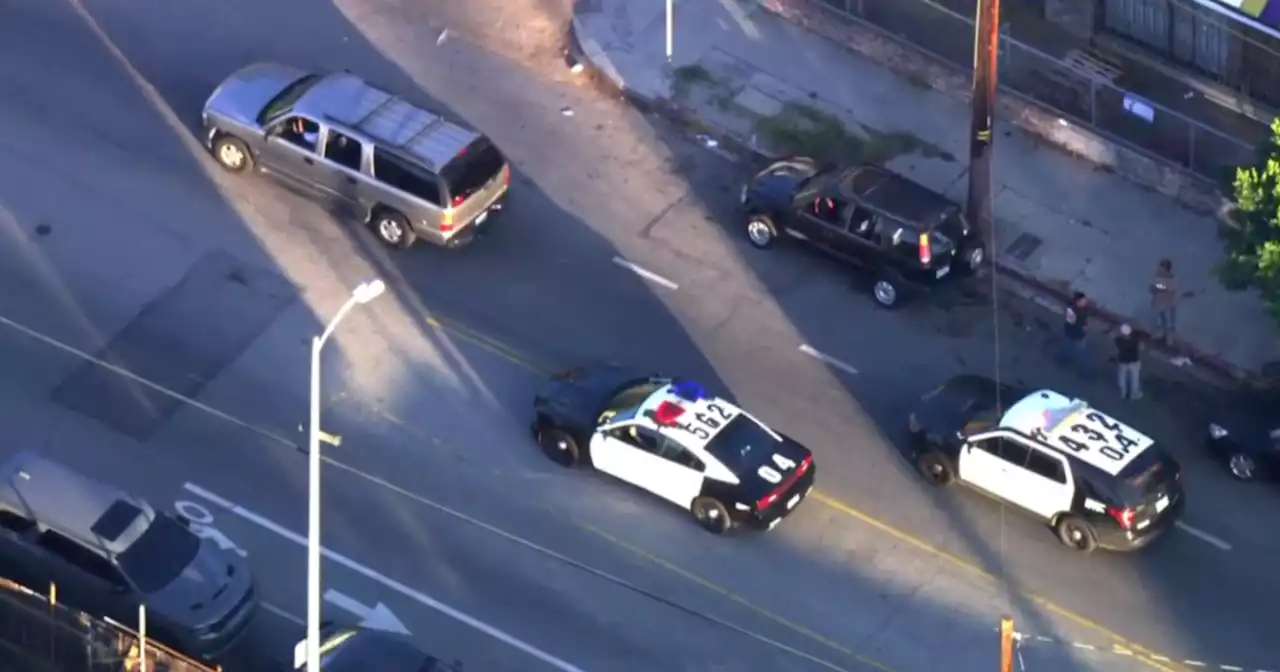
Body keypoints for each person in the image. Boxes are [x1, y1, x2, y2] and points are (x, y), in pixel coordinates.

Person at [1058, 292, 1090, 374]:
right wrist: (1083, 327)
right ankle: (1084, 371)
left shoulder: (1083, 308)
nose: (1085, 302)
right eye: (1083, 300)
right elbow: (1072, 323)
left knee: (1069, 347)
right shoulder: (1072, 311)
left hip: (1074, 333)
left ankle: (1062, 359)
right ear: (1077, 302)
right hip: (1076, 334)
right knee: (1083, 353)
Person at [1150, 259, 1177, 344]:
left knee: (1170, 323)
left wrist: (1160, 288)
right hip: (1160, 303)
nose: (1160, 268)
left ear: (1166, 268)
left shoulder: (1172, 279)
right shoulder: (1158, 277)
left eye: (1162, 267)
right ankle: (1160, 335)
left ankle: (1170, 340)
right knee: (1160, 321)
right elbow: (1155, 287)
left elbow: (1171, 290)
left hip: (1169, 304)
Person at [1114, 323, 1142, 400]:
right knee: (1134, 378)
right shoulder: (1135, 339)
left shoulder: (1118, 340)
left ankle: (1123, 393)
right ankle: (1134, 394)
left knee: (1122, 378)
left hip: (1123, 361)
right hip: (1134, 361)